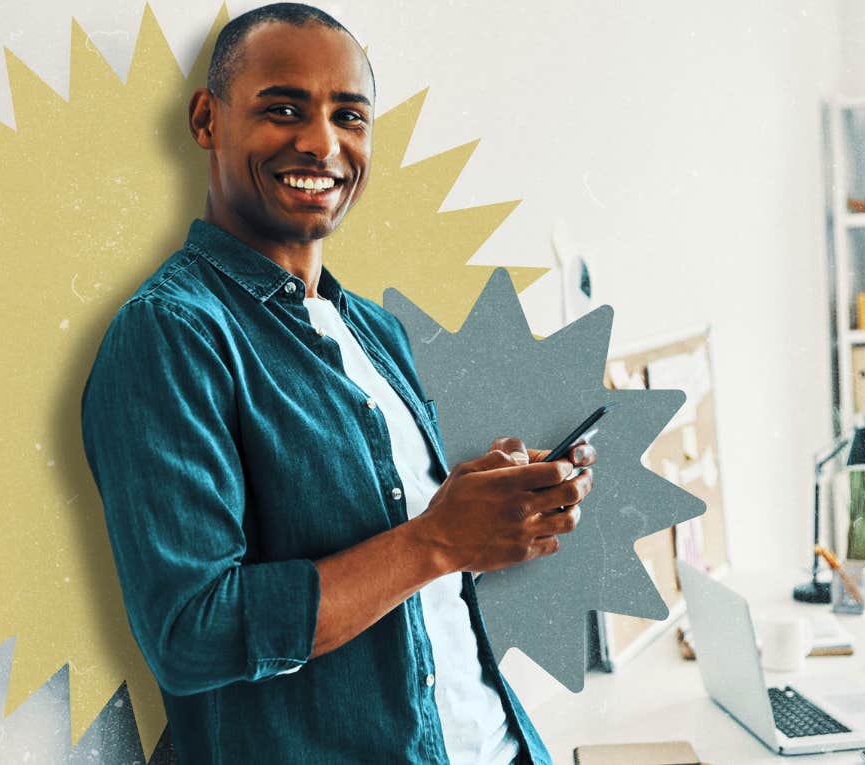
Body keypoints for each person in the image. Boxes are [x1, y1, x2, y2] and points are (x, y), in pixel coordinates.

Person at [80, 4, 595, 763]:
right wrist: (435, 537)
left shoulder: (372, 331)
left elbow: (400, 573)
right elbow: (191, 634)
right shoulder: (171, 333)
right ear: (205, 119)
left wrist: (482, 519)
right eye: (283, 108)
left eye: (348, 116)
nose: (321, 143)